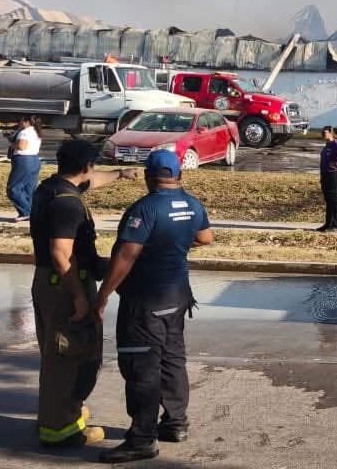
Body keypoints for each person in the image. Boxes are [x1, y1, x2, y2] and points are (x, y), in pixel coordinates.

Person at [95, 149, 212, 464]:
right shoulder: (192, 204)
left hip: (146, 301)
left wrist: (103, 294)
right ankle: (175, 423)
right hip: (178, 297)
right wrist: (174, 242)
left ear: (148, 177)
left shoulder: (145, 208)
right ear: (179, 175)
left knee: (142, 367)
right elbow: (206, 238)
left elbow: (126, 255)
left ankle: (142, 439)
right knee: (172, 359)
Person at [28, 139, 138, 447]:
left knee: (57, 355)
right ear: (86, 166)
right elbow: (61, 254)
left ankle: (61, 412)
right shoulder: (68, 204)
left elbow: (93, 180)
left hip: (49, 282)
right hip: (65, 286)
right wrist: (78, 296)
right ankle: (60, 429)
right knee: (69, 355)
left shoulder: (51, 188)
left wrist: (120, 174)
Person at [8, 115, 42, 222]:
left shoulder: (25, 132)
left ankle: (26, 212)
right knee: (29, 190)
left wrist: (12, 145)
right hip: (34, 160)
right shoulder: (36, 132)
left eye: (21, 121)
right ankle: (33, 213)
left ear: (26, 122)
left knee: (13, 188)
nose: (19, 123)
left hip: (23, 160)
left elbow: (22, 146)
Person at [316, 126, 337, 233]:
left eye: (325, 132)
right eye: (322, 132)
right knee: (328, 200)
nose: (322, 133)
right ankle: (328, 224)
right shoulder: (327, 145)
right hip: (325, 175)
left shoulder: (336, 144)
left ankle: (335, 225)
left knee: (334, 200)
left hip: (333, 175)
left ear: (331, 133)